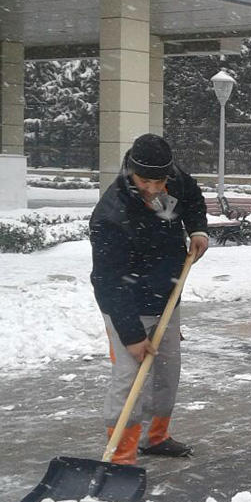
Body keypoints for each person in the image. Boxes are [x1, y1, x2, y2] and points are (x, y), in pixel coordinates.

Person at [89, 133, 209, 465]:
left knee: (167, 371)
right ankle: (121, 456)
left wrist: (198, 230)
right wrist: (132, 336)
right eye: (146, 181)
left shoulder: (171, 179)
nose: (155, 188)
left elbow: (194, 197)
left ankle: (155, 436)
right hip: (125, 305)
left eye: (160, 181)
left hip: (168, 295)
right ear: (131, 172)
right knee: (130, 380)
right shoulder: (111, 215)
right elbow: (109, 282)